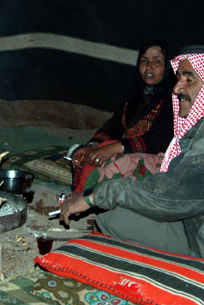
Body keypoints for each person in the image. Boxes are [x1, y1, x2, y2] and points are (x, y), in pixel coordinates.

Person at [60, 45, 204, 291]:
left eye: (189, 79)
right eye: (179, 78)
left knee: (113, 217)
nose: (177, 88)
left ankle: (194, 276)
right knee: (125, 200)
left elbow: (168, 199)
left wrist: (95, 196)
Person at [70, 41, 175, 193]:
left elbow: (159, 140)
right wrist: (93, 145)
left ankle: (89, 198)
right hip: (126, 148)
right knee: (81, 154)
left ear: (167, 68)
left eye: (157, 61)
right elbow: (116, 124)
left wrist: (114, 148)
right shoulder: (136, 94)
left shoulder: (174, 99)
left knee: (112, 163)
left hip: (158, 157)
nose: (149, 66)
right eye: (144, 60)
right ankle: (80, 195)